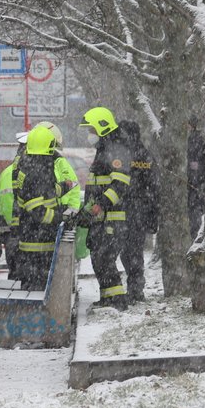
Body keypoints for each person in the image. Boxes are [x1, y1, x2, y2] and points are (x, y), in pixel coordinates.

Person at [79, 107, 137, 310]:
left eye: (92, 130)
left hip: (113, 217)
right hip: (102, 218)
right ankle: (107, 298)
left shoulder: (116, 149)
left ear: (102, 128)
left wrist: (101, 204)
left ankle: (118, 300)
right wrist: (86, 210)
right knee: (98, 258)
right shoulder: (104, 149)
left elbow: (120, 184)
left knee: (105, 258)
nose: (90, 135)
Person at [12, 125, 64, 291]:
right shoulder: (35, 171)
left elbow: (45, 190)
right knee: (37, 289)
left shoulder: (31, 164)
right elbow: (38, 211)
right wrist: (60, 217)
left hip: (33, 238)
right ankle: (35, 317)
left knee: (34, 285)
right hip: (37, 244)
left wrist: (63, 187)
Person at [116, 120, 158, 303]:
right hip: (140, 210)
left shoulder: (124, 154)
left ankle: (135, 290)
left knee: (129, 252)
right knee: (133, 251)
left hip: (128, 210)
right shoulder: (145, 154)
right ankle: (135, 288)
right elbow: (154, 186)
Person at [0, 133, 28, 279]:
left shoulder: (6, 172)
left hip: (9, 230)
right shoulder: (28, 171)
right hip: (25, 229)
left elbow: (1, 203)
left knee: (14, 271)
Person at [187, 113, 205, 240]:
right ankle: (195, 235)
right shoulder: (200, 140)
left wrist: (193, 176)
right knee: (196, 212)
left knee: (194, 212)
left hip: (193, 183)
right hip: (198, 182)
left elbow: (195, 162)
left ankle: (194, 236)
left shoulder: (193, 140)